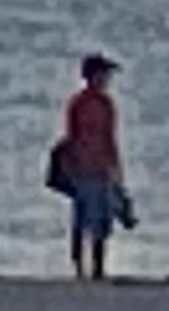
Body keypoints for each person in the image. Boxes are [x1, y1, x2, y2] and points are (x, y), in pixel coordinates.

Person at [51, 52, 128, 280]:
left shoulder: (106, 105)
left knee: (102, 221)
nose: (106, 79)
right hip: (83, 168)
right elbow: (73, 135)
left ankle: (97, 267)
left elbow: (109, 137)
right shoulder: (80, 103)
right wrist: (71, 165)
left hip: (101, 168)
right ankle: (79, 267)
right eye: (103, 75)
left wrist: (115, 168)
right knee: (83, 218)